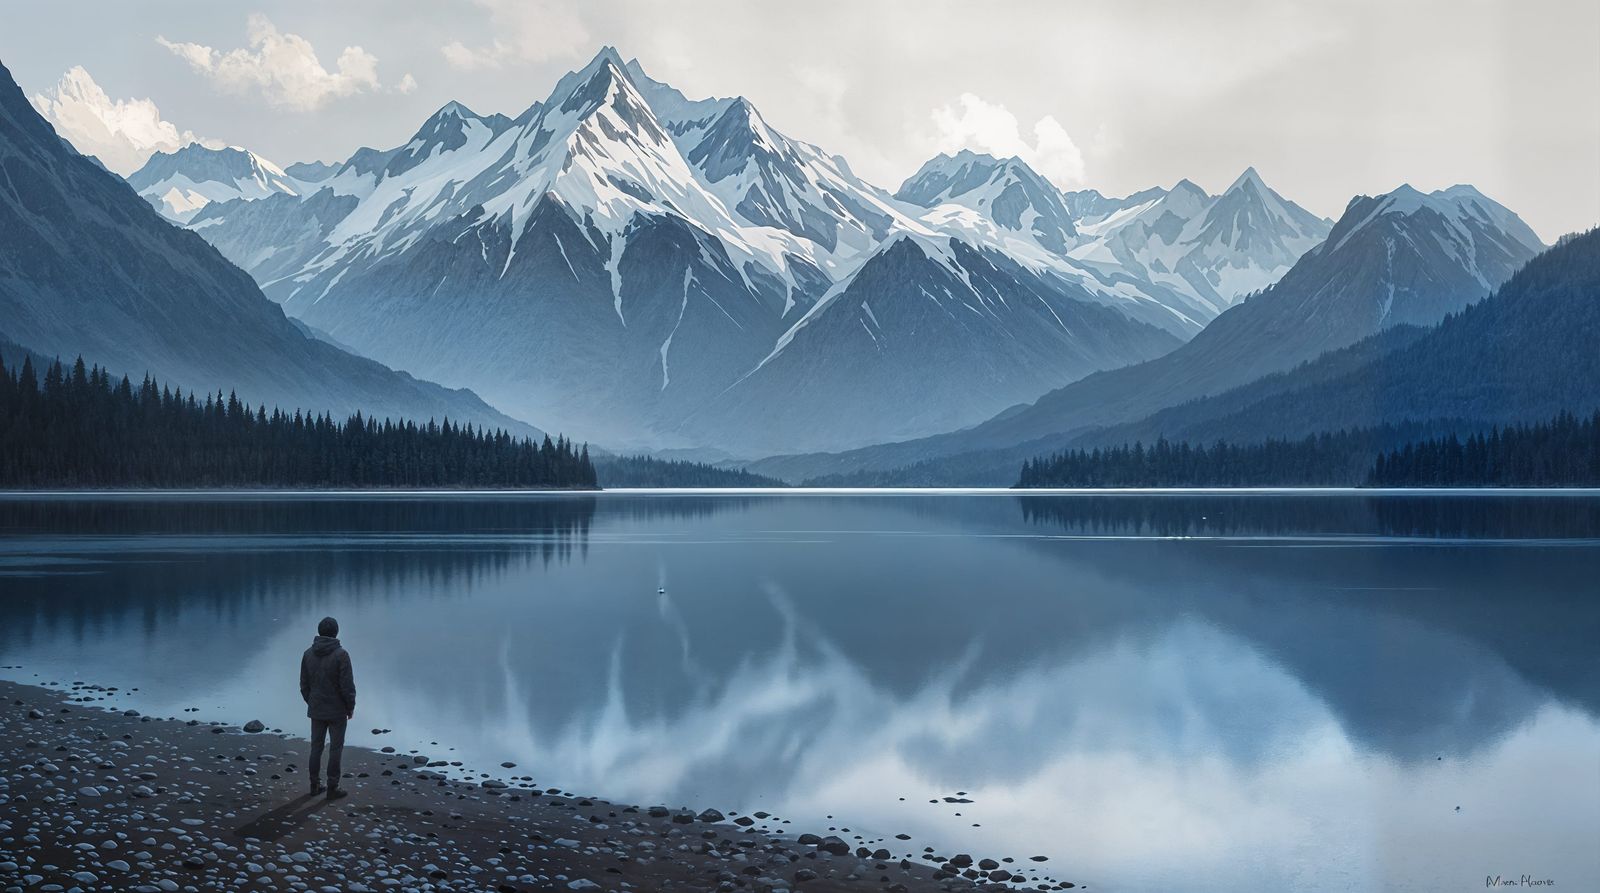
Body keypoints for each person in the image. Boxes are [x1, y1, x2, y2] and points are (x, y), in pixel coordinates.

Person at [299, 616, 355, 800]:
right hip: (337, 710)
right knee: (336, 748)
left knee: (316, 747)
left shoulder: (308, 654)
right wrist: (350, 706)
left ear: (319, 631)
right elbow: (347, 685)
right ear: (336, 632)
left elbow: (304, 685)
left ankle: (314, 785)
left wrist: (312, 702)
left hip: (317, 708)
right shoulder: (341, 655)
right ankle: (332, 787)